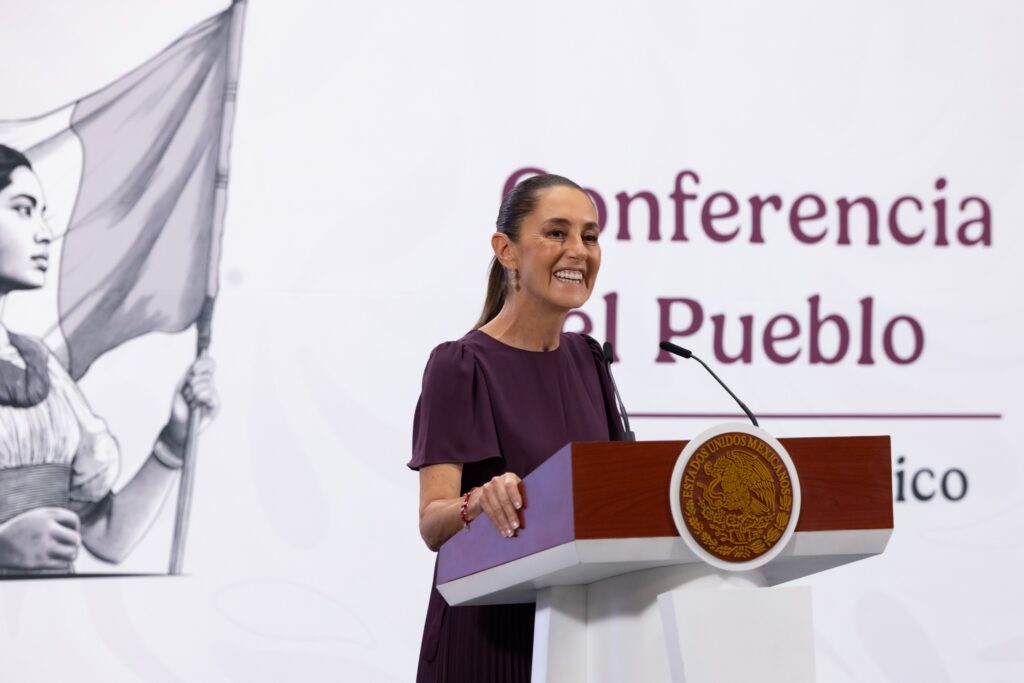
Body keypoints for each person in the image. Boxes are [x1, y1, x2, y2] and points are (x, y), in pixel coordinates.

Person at [408, 174, 625, 681]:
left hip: (578, 637)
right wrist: (478, 501)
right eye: (556, 233)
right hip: (487, 638)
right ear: (506, 250)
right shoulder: (460, 365)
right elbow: (432, 523)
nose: (578, 251)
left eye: (590, 236)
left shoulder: (589, 359)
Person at [0, 143, 219, 574]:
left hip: (52, 612)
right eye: (23, 210)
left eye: (42, 214)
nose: (43, 232)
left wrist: (175, 438)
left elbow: (107, 537)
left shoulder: (40, 365)